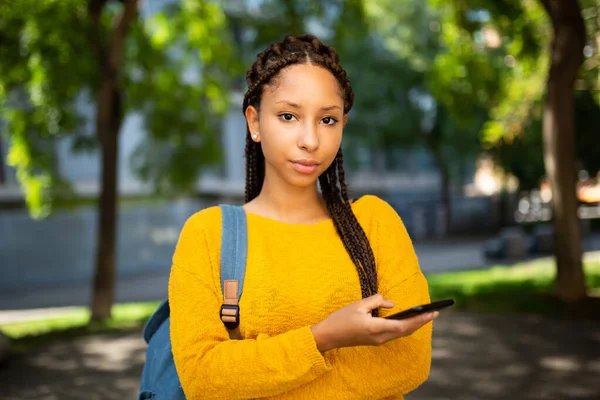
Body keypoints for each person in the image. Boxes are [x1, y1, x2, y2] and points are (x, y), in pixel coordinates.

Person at [169, 34, 436, 400]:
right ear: (254, 122)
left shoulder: (374, 223)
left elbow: (410, 361)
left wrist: (261, 375)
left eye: (328, 120)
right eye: (288, 116)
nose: (310, 139)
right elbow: (202, 377)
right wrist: (323, 339)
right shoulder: (208, 235)